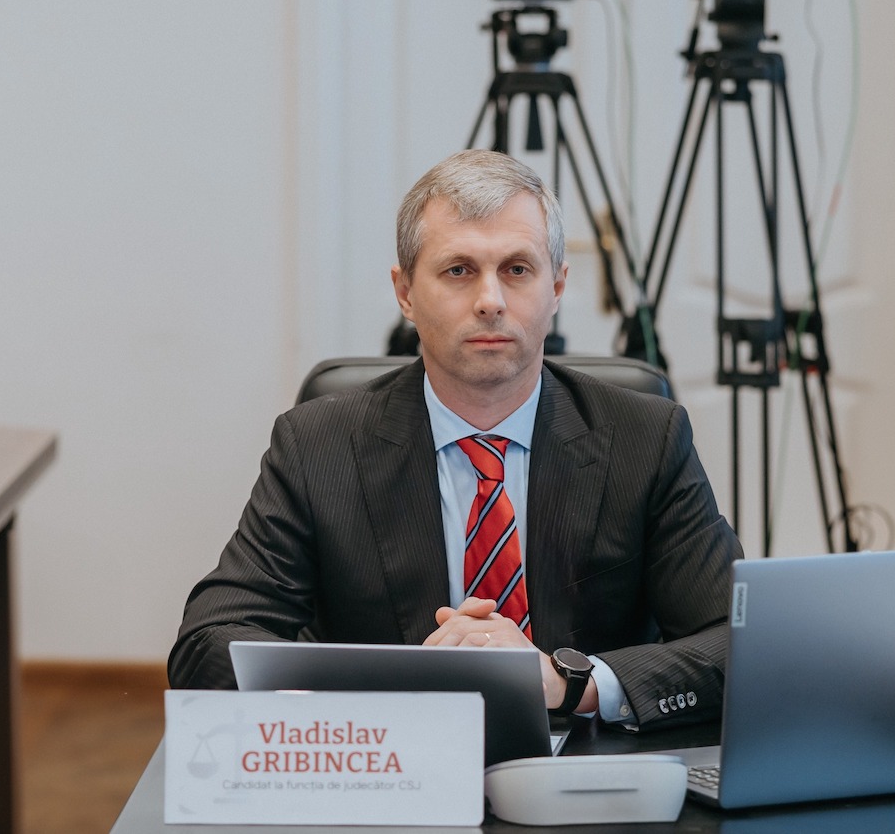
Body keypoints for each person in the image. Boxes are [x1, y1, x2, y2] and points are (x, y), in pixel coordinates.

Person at [169, 149, 743, 731]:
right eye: (459, 271)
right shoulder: (318, 447)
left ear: (557, 287)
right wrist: (389, 691)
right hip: (389, 761)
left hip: (588, 766)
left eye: (517, 269)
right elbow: (208, 643)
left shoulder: (645, 440)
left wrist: (571, 682)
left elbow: (738, 642)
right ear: (405, 294)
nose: (491, 300)